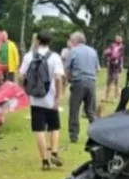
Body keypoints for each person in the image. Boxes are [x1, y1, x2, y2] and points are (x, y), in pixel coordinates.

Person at [19, 31, 66, 170]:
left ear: (37, 40)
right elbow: (58, 78)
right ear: (50, 42)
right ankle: (54, 153)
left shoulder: (29, 56)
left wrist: (25, 90)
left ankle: (44, 161)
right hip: (50, 99)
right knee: (54, 127)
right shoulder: (55, 57)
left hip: (35, 99)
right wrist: (58, 96)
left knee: (39, 130)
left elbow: (21, 76)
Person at [64, 31, 99, 144]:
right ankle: (97, 134)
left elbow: (67, 69)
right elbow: (97, 69)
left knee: (74, 110)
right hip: (91, 82)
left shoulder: (73, 51)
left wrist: (69, 79)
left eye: (71, 40)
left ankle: (74, 135)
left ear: (76, 40)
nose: (70, 42)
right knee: (91, 111)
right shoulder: (93, 51)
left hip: (78, 82)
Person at [103, 35, 125, 101]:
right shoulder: (112, 45)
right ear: (115, 39)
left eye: (120, 39)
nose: (119, 40)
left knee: (116, 81)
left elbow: (121, 56)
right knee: (108, 81)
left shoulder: (122, 47)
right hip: (111, 65)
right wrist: (108, 56)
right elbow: (107, 53)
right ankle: (106, 97)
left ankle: (116, 97)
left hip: (117, 66)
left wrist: (121, 66)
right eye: (117, 39)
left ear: (121, 40)